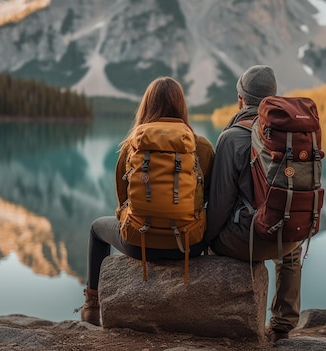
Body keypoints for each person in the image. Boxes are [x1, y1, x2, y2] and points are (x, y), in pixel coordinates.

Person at [78, 76, 215, 326]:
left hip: (138, 243)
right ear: (181, 106)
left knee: (96, 228)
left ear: (146, 106)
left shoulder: (132, 146)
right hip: (189, 246)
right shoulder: (201, 146)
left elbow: (122, 201)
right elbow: (209, 199)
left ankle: (91, 305)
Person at [204, 65, 303, 343]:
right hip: (289, 238)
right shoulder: (289, 135)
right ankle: (283, 325)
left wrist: (204, 242)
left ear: (240, 98)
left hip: (247, 240)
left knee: (212, 239)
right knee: (291, 248)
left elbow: (220, 207)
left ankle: (220, 320)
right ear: (272, 98)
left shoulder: (231, 137)